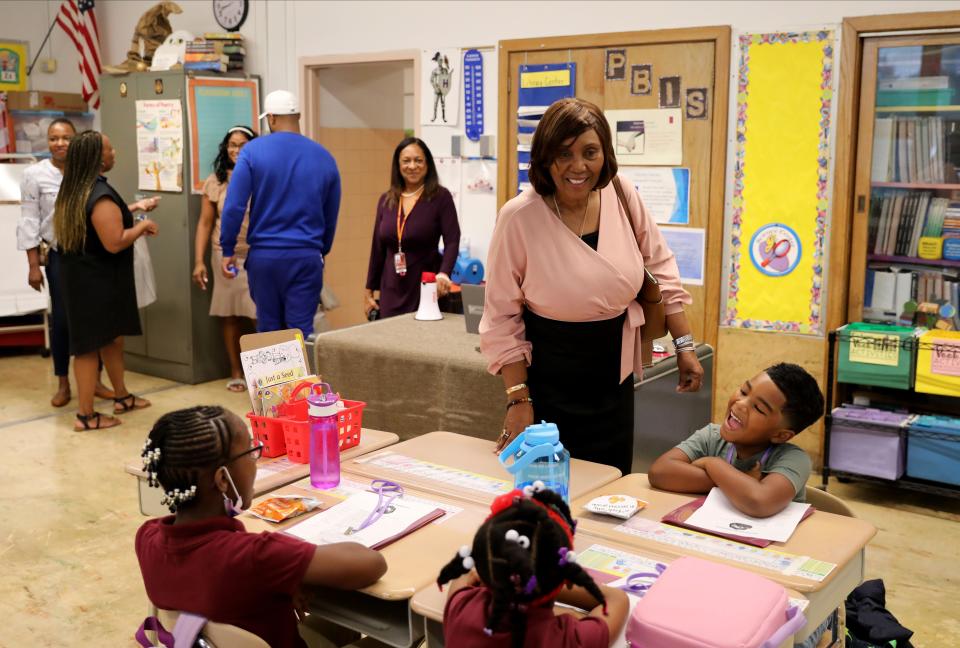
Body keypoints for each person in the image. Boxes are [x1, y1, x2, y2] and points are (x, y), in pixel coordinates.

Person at [480, 98, 704, 474]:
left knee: (609, 484)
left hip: (613, 379)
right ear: (544, 156)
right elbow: (501, 316)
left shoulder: (622, 194)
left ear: (606, 154)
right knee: (547, 487)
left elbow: (661, 268)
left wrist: (684, 346)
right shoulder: (519, 217)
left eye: (590, 152)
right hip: (548, 378)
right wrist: (519, 400)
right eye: (564, 153)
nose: (578, 166)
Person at [136, 406, 387, 648]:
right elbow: (371, 564)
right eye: (251, 452)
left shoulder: (147, 537)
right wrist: (289, 566)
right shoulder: (257, 557)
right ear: (223, 479)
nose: (255, 461)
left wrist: (286, 578)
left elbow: (214, 576)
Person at [54, 130, 160, 430]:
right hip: (95, 283)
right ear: (98, 158)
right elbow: (114, 241)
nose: (114, 153)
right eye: (110, 149)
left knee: (112, 339)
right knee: (88, 348)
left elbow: (102, 221)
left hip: (84, 279)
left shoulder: (78, 188)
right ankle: (86, 416)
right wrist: (143, 227)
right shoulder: (98, 194)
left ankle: (122, 396)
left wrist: (134, 210)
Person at [437, 484, 628, 648]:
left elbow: (462, 577)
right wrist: (546, 583)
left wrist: (509, 581)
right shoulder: (570, 639)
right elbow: (616, 599)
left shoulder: (461, 608)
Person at [220, 89, 341, 337]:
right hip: (306, 256)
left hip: (265, 258)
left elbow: (234, 206)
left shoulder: (252, 152)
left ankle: (273, 378)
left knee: (269, 330)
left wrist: (228, 249)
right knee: (300, 330)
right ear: (297, 116)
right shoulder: (324, 157)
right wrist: (321, 249)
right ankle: (299, 378)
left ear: (271, 118)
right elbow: (331, 212)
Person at [16, 118, 115, 407]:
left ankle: (95, 381)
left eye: (66, 138)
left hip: (92, 256)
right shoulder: (35, 174)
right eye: (53, 138)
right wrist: (34, 266)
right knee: (62, 321)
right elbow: (29, 220)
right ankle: (63, 383)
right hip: (61, 256)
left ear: (76, 140)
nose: (59, 144)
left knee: (94, 321)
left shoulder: (86, 169)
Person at [648, 362, 824, 517]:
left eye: (759, 408)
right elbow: (660, 472)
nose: (740, 404)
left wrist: (712, 464)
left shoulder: (794, 459)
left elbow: (758, 501)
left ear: (780, 435)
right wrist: (743, 481)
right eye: (744, 391)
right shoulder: (711, 436)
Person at [364, 137, 460, 319]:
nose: (412, 166)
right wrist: (369, 290)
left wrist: (444, 274)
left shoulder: (441, 197)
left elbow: (452, 240)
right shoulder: (386, 200)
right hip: (391, 287)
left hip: (427, 285)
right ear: (398, 165)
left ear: (427, 164)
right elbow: (377, 249)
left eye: (418, 160)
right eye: (406, 161)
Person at [193, 126, 258, 392]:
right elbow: (205, 224)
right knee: (229, 316)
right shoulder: (216, 181)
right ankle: (236, 371)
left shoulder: (261, 177)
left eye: (243, 145)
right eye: (232, 144)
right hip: (224, 254)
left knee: (259, 315)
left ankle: (263, 373)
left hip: (257, 254)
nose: (237, 150)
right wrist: (198, 260)